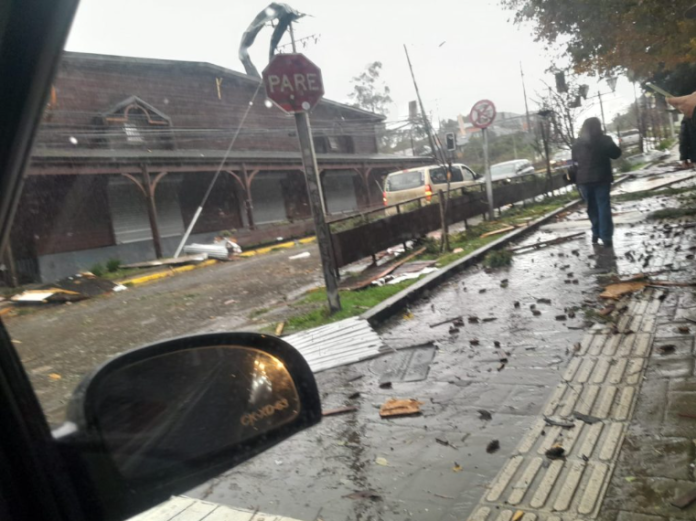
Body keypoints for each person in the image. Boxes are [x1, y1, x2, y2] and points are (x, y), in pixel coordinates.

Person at [571, 117, 622, 248]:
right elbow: (616, 154)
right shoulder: (604, 140)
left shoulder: (577, 144)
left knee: (591, 207)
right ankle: (606, 237)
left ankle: (596, 233)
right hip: (601, 178)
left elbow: (574, 162)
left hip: (583, 180)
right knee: (603, 206)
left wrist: (576, 178)